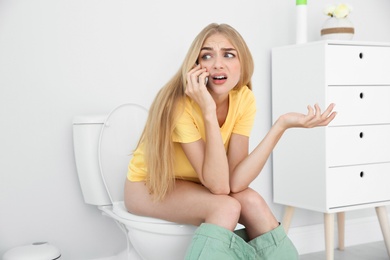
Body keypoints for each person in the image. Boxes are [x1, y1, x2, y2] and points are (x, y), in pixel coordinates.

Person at [124, 23, 336, 259]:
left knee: (252, 202)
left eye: (228, 54)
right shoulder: (179, 106)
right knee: (226, 207)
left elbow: (235, 182)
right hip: (148, 185)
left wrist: (281, 125)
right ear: (196, 66)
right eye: (207, 55)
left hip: (196, 183)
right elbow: (219, 187)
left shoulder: (243, 99)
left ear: (241, 63)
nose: (217, 63)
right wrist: (207, 110)